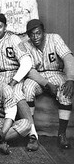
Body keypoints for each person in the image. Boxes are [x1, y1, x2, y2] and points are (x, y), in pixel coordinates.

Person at [0, 13, 39, 151]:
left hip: (14, 74)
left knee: (17, 94)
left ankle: (33, 135)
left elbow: (26, 62)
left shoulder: (13, 38)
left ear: (5, 27)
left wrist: (13, 82)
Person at [23, 19, 74, 149]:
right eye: (32, 34)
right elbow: (29, 70)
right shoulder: (25, 44)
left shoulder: (54, 38)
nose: (35, 37)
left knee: (66, 92)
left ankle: (61, 134)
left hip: (55, 73)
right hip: (36, 75)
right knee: (27, 89)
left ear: (43, 32)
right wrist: (47, 84)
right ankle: (31, 133)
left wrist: (70, 79)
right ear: (28, 35)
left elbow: (68, 57)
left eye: (38, 33)